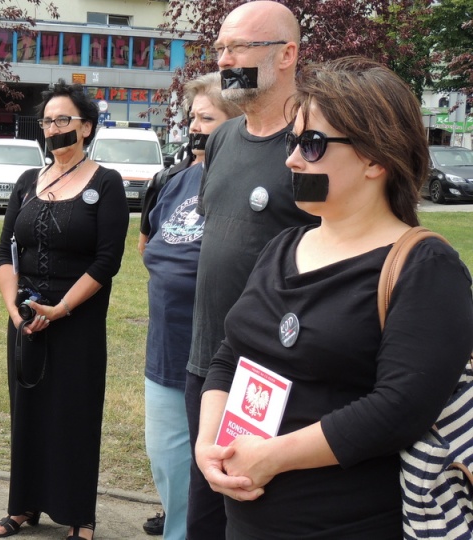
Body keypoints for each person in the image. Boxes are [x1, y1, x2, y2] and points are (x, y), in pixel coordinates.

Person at [196, 56, 473, 538]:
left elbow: (399, 409)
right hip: (248, 520)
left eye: (312, 144)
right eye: (293, 141)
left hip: (349, 523)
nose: (292, 159)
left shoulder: (425, 267)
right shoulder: (283, 245)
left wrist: (273, 458)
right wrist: (208, 440)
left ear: (375, 158)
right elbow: (230, 355)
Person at [184, 4, 318, 537]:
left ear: (287, 55)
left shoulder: (313, 146)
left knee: (256, 517)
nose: (224, 61)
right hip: (207, 369)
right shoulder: (222, 139)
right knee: (205, 518)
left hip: (273, 376)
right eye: (219, 49)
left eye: (238, 48)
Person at [0, 79, 129, 540]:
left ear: (86, 127)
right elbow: (4, 252)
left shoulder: (106, 183)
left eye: (63, 119)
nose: (53, 128)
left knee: (73, 413)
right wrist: (17, 312)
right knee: (27, 410)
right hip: (27, 319)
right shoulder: (28, 182)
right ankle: (24, 506)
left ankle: (78, 515)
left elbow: (107, 261)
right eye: (47, 120)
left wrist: (62, 308)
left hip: (77, 319)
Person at [140, 73, 242, 539]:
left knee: (210, 480)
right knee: (167, 463)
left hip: (218, 364)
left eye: (208, 118)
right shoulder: (176, 182)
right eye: (193, 117)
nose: (195, 127)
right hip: (165, 353)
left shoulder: (243, 186)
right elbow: (152, 249)